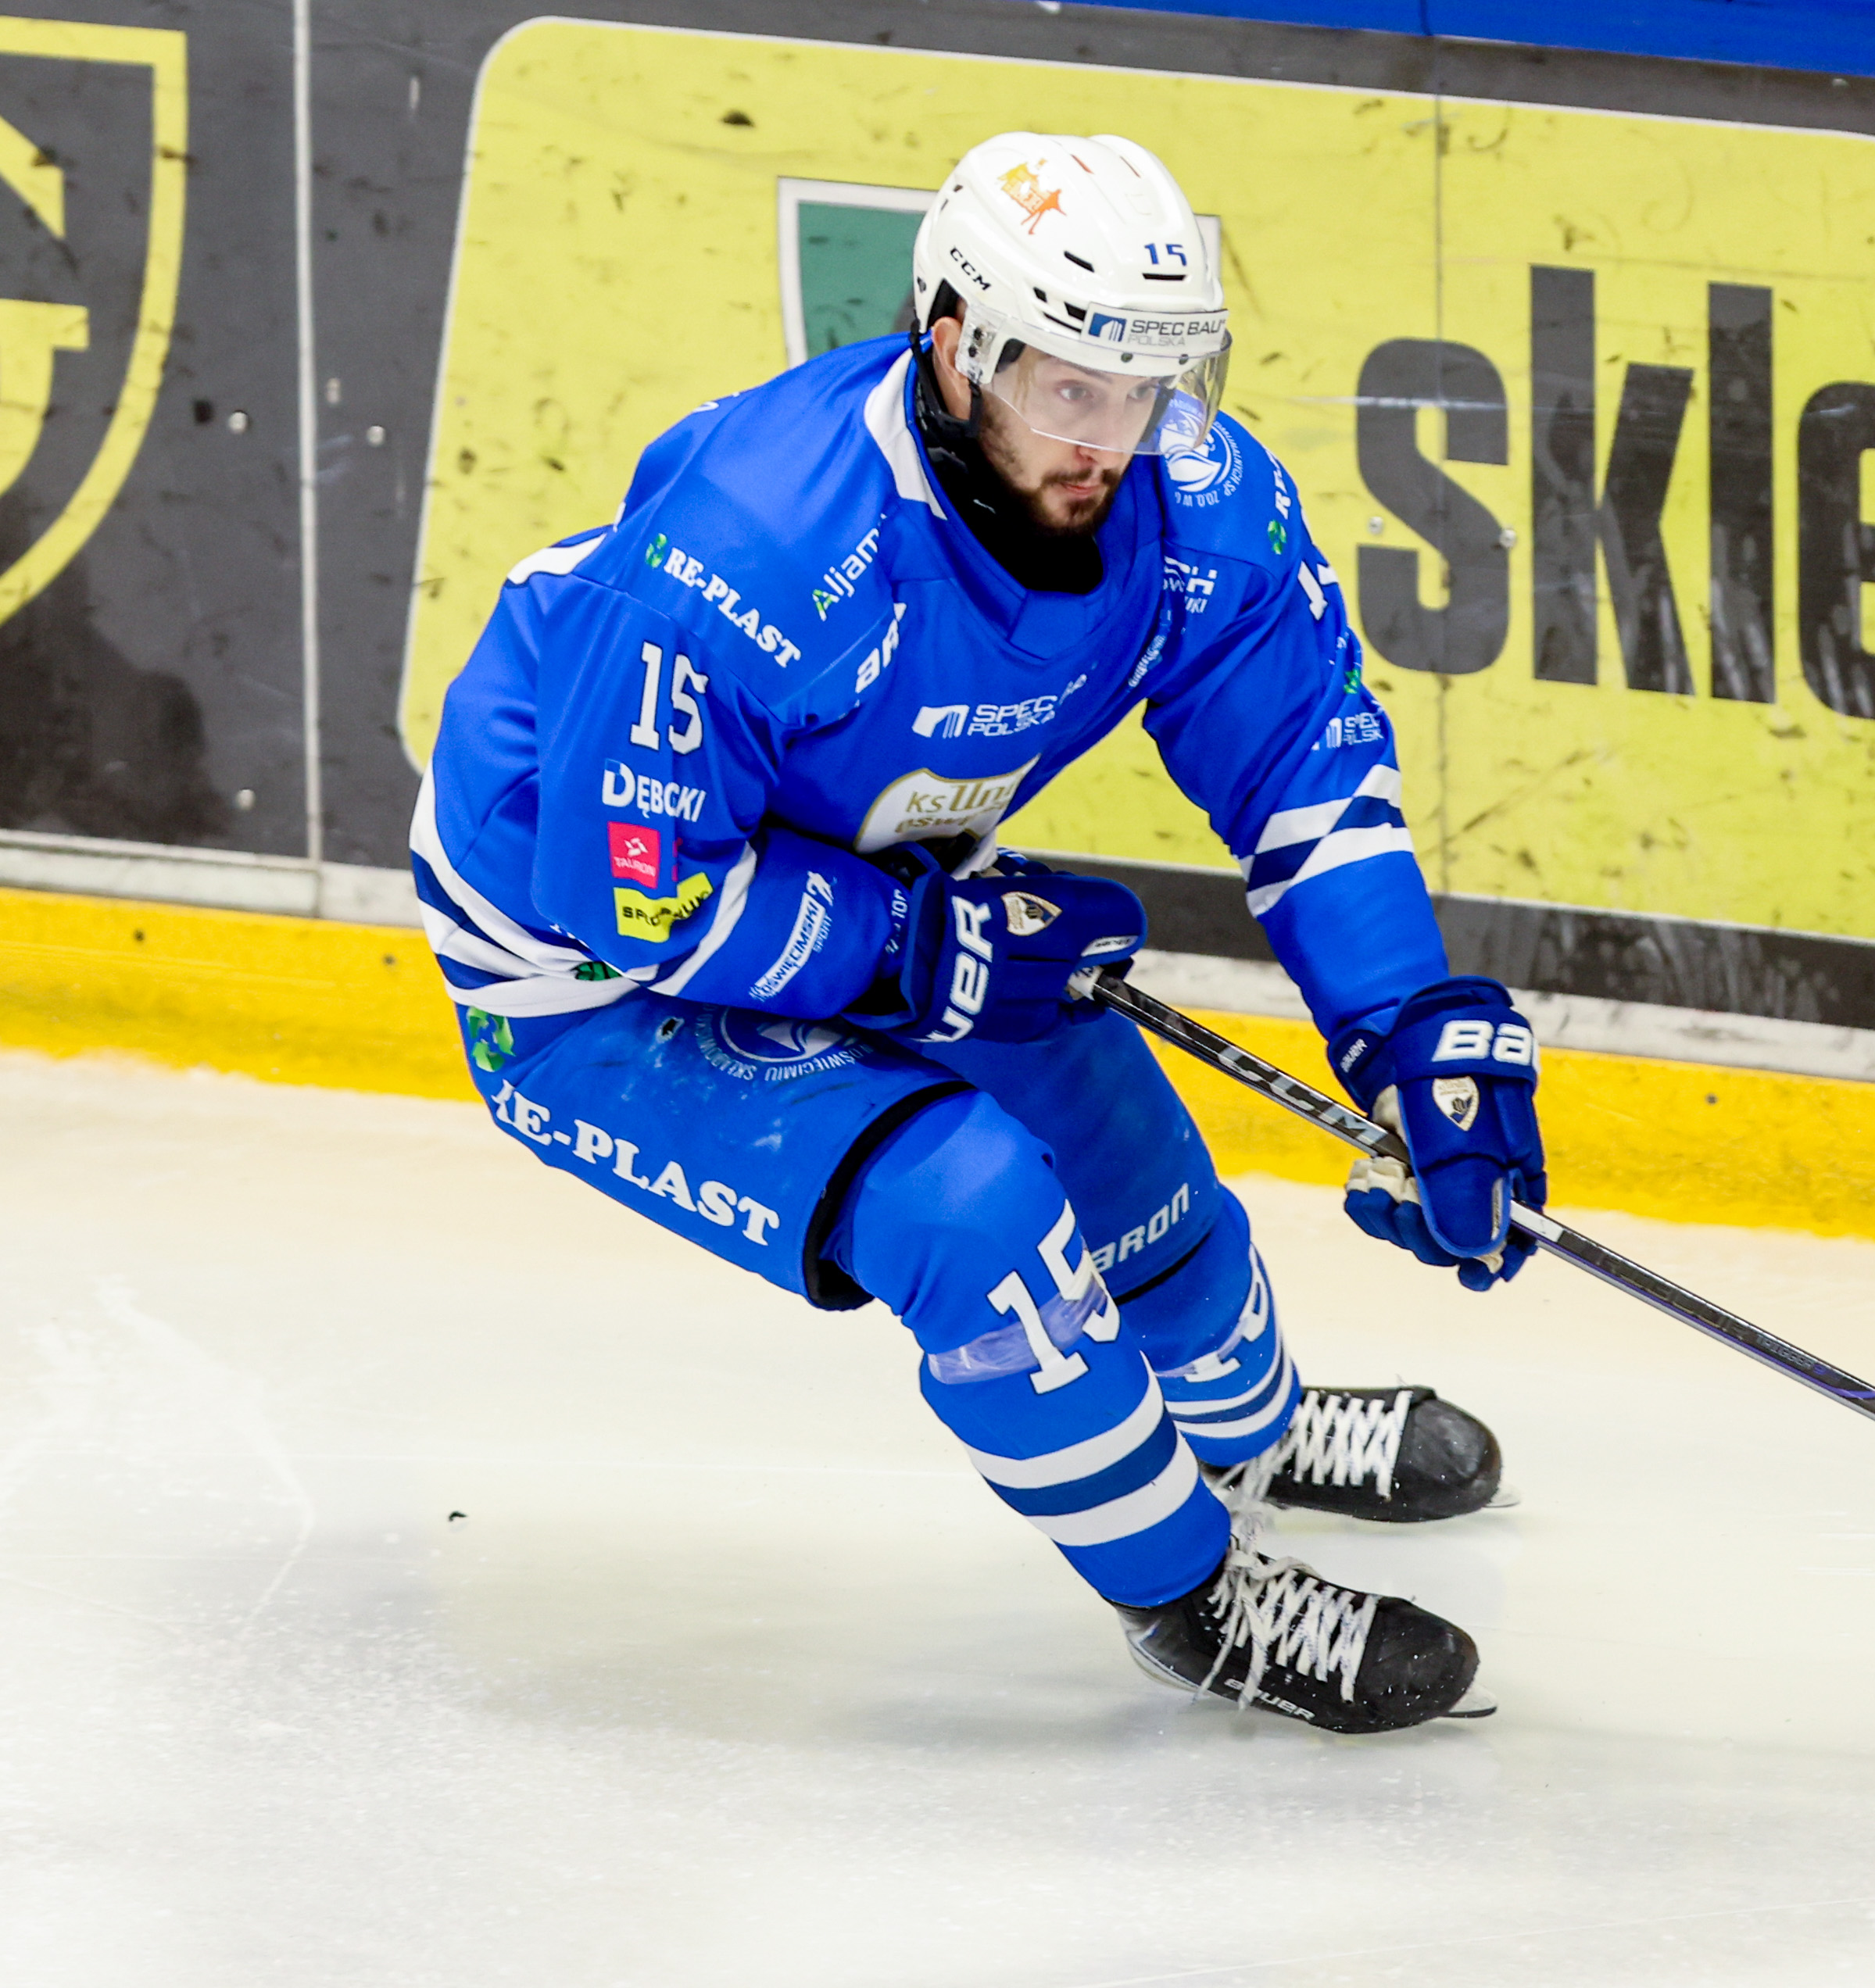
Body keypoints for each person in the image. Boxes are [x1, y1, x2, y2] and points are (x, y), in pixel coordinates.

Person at [410, 131, 1548, 1735]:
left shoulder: (1190, 494)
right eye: (1071, 388)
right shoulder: (757, 541)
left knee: (1129, 1156)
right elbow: (634, 897)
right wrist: (913, 947)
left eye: (1148, 386)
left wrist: (1404, 1019)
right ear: (955, 345)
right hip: (590, 977)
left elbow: (1301, 758)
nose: (1112, 442)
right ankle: (1197, 1598)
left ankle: (1255, 1427)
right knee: (973, 1209)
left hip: (878, 873)